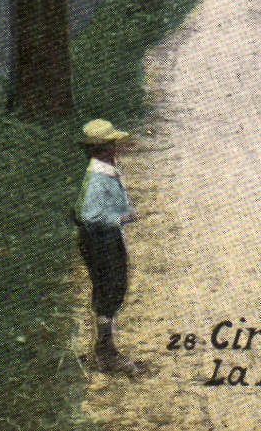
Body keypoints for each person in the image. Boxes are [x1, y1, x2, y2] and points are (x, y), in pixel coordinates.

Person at [75, 119, 144, 376]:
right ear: (101, 149)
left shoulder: (105, 170)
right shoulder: (97, 177)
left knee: (114, 286)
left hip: (105, 236)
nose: (114, 150)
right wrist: (119, 218)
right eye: (110, 145)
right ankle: (105, 351)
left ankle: (104, 346)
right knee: (110, 287)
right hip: (100, 238)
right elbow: (89, 214)